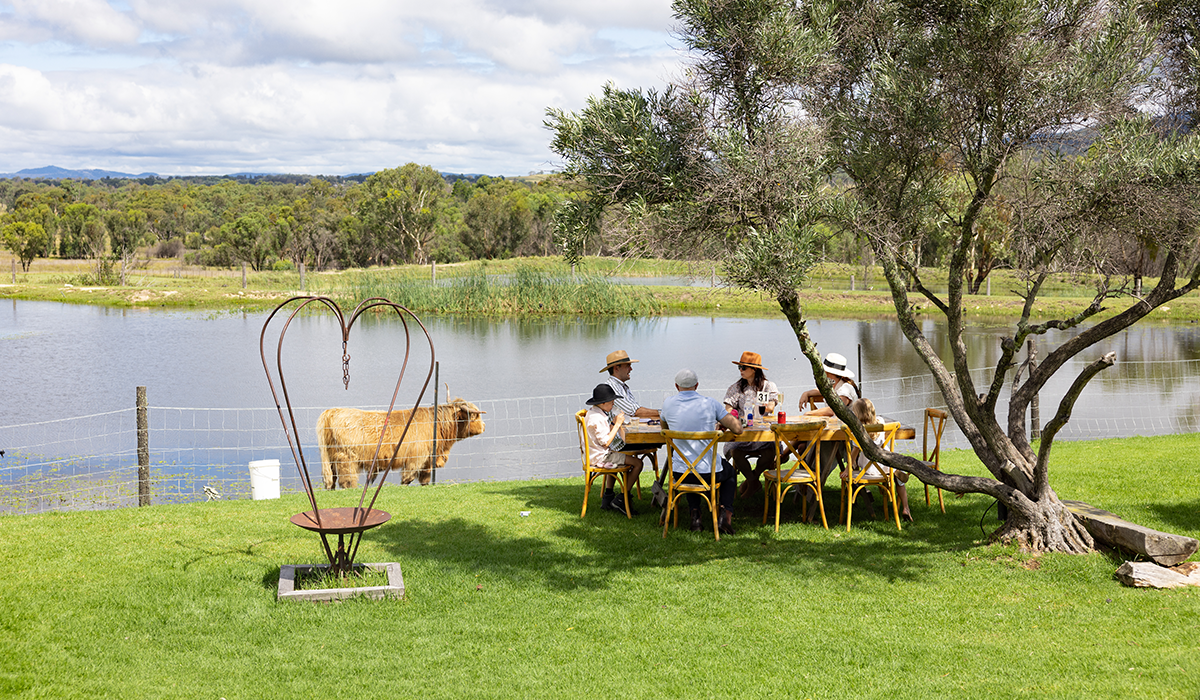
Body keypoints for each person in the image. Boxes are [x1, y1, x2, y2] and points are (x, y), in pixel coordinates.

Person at [660, 368, 744, 534]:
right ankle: (725, 516)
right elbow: (738, 429)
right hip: (707, 473)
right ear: (697, 385)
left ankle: (695, 516)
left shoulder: (668, 404)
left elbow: (664, 429)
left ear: (676, 386)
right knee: (730, 473)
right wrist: (721, 422)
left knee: (689, 466)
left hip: (679, 472)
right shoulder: (710, 403)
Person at [721, 351, 779, 497]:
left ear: (754, 369)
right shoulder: (736, 388)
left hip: (763, 433)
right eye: (739, 367)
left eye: (743, 367)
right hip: (743, 432)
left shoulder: (768, 386)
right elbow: (728, 410)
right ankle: (753, 482)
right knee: (735, 452)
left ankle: (752, 480)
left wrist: (759, 405)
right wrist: (735, 415)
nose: (740, 370)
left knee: (770, 452)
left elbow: (770, 407)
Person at [847, 397, 913, 522]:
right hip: (883, 463)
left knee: (865, 459)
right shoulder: (881, 422)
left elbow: (854, 452)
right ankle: (906, 508)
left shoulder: (857, 429)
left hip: (867, 468)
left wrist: (847, 469)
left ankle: (896, 472)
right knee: (898, 479)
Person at [583, 384, 645, 515]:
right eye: (611, 402)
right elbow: (606, 443)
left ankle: (608, 497)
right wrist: (617, 424)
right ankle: (622, 498)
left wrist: (612, 423)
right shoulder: (598, 418)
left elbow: (604, 436)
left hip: (596, 454)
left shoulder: (593, 413)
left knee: (619, 454)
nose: (613, 404)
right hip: (601, 457)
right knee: (638, 463)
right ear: (603, 403)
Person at [799, 352, 860, 417]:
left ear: (828, 372)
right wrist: (806, 393)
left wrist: (809, 413)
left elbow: (834, 409)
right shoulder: (835, 385)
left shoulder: (845, 389)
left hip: (844, 424)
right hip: (835, 422)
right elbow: (821, 390)